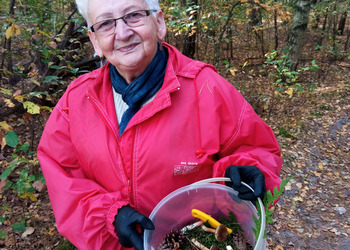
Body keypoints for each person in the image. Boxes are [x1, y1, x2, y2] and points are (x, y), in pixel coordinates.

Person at [37, 0, 283, 249]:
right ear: (95, 41)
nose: (122, 33)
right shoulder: (76, 101)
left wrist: (248, 171)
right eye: (106, 24)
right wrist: (107, 215)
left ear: (160, 22)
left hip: (195, 241)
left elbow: (255, 150)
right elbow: (63, 178)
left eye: (133, 15)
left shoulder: (207, 89)